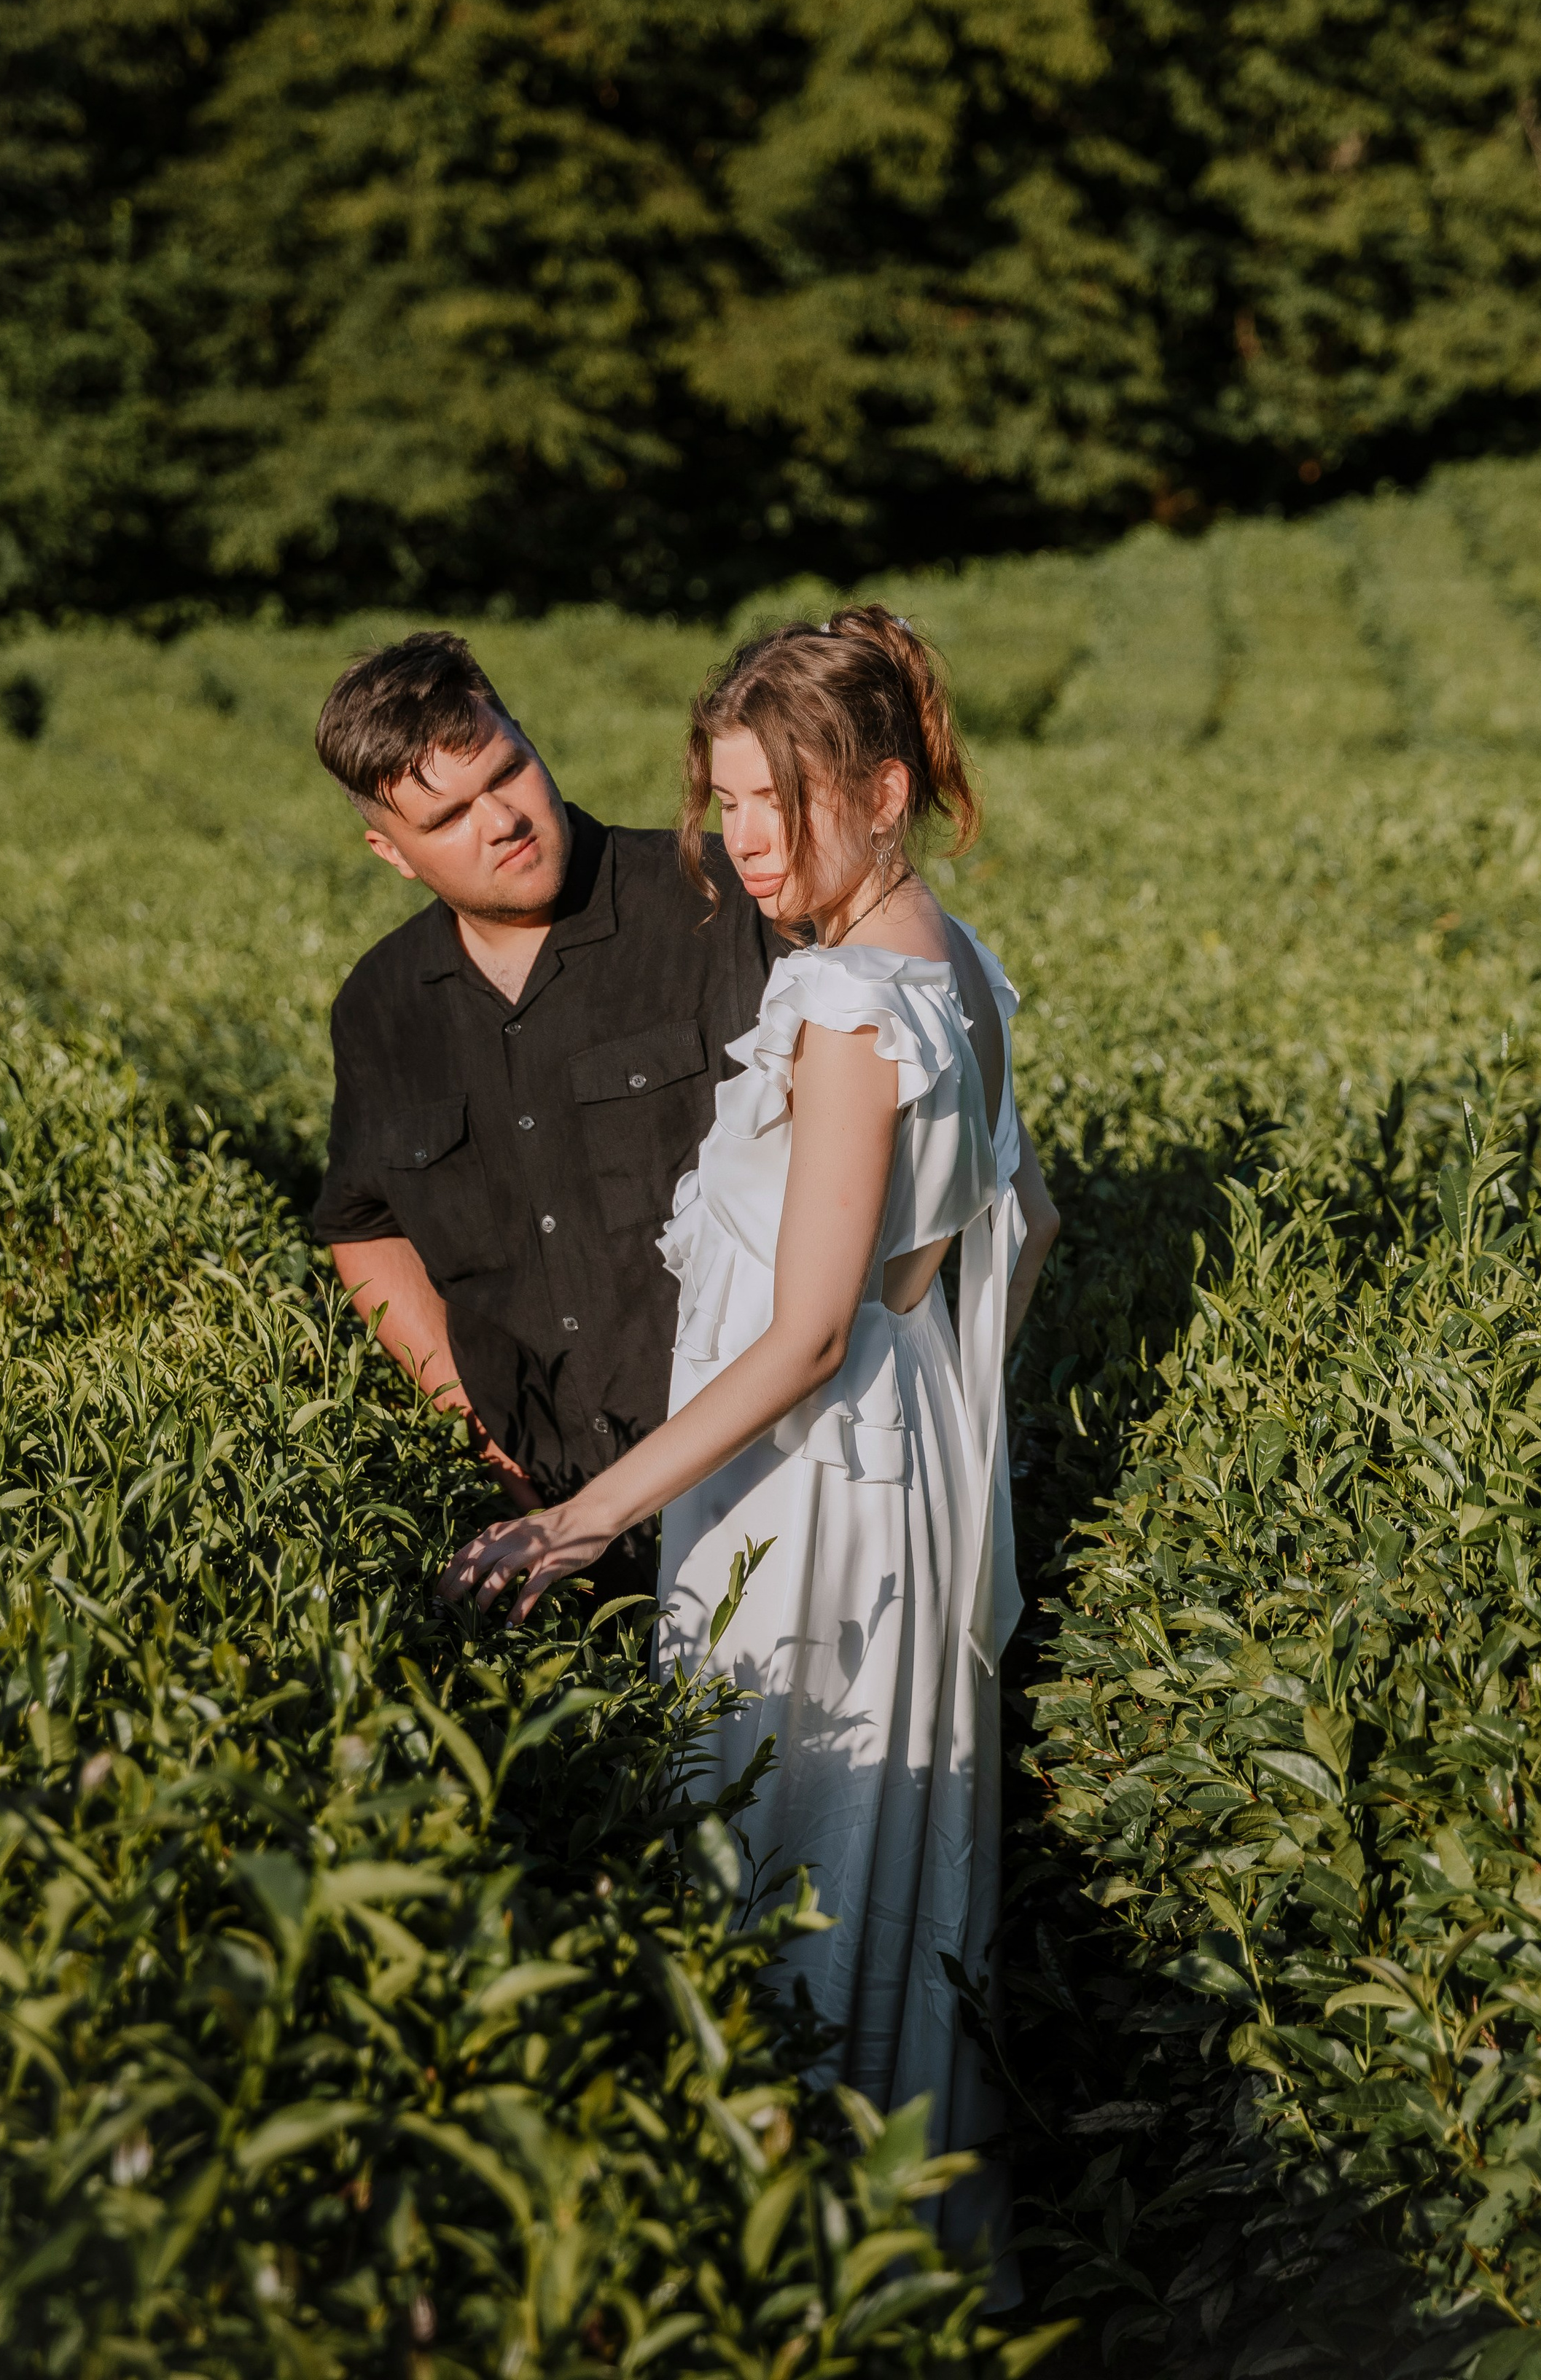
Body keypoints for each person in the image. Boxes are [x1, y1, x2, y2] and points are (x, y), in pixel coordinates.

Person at [440, 605, 1060, 2256]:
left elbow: (794, 1338)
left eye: (776, 801)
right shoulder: (957, 961)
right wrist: (915, 1341)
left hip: (809, 1492)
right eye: (722, 800)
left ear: (878, 787)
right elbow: (1030, 1220)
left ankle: (789, 2268)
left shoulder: (850, 1001)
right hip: (898, 1456)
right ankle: (904, 2261)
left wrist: (576, 1524)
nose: (744, 840)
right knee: (876, 1875)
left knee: (780, 1870)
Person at [308, 631, 779, 1591]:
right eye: (446, 817)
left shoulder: (719, 907)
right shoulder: (382, 1005)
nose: (502, 821)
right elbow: (362, 1224)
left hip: (763, 1490)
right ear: (389, 852)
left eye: (508, 772)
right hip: (539, 1531)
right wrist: (484, 1436)